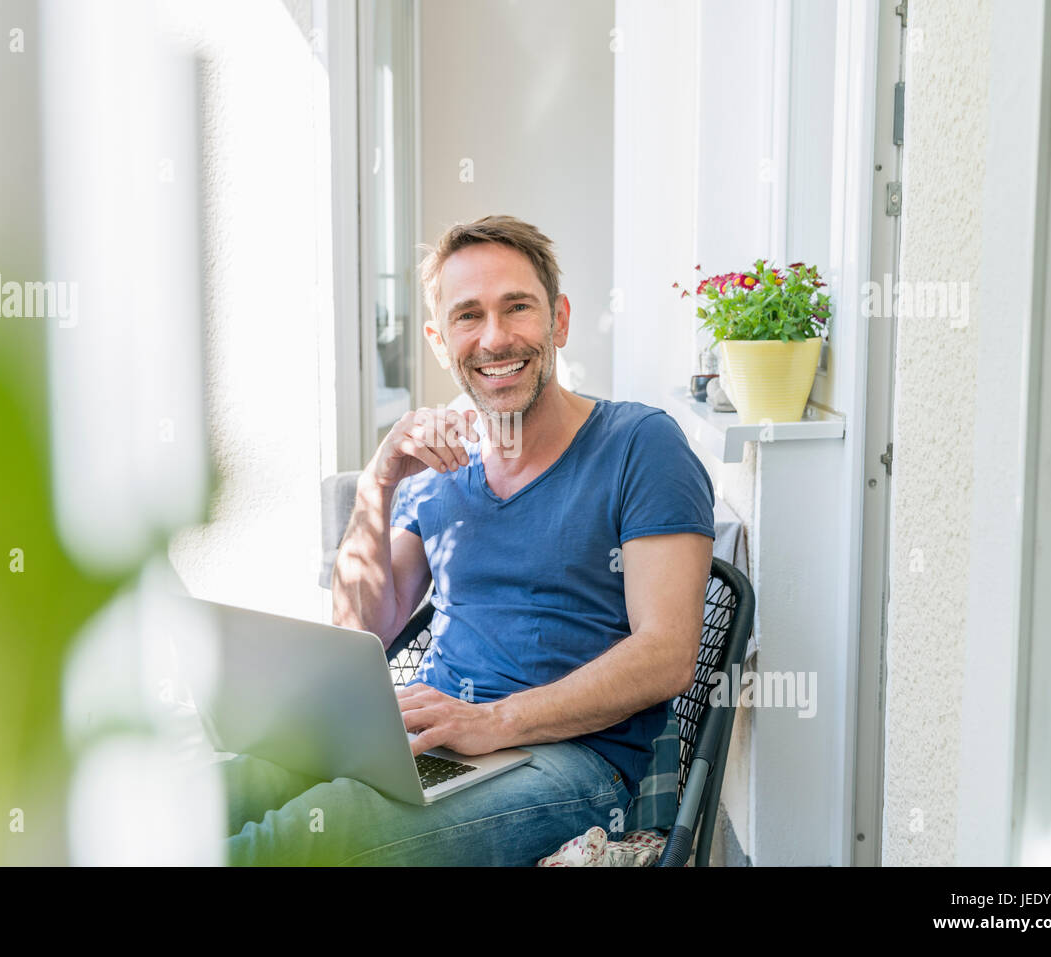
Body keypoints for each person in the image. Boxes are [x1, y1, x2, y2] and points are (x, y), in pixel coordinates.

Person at [224, 215, 715, 865]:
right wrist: (381, 475)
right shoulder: (442, 467)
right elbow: (360, 628)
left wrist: (493, 721)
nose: (495, 337)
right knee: (212, 790)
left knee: (296, 842)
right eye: (467, 315)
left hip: (573, 763)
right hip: (426, 743)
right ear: (438, 339)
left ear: (560, 320)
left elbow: (668, 653)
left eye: (518, 307)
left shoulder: (640, 444)